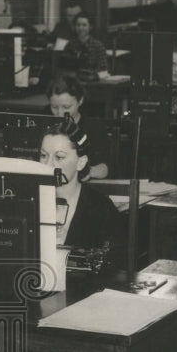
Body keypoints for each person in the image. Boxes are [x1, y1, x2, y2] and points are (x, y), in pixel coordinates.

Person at [39, 117, 121, 251]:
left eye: (59, 157)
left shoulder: (101, 209)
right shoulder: (29, 201)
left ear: (81, 162)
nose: (48, 165)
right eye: (43, 155)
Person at [46, 73, 109, 179]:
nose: (60, 113)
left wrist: (87, 171)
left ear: (80, 101)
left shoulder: (94, 128)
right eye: (54, 107)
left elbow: (106, 167)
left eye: (66, 107)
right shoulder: (46, 124)